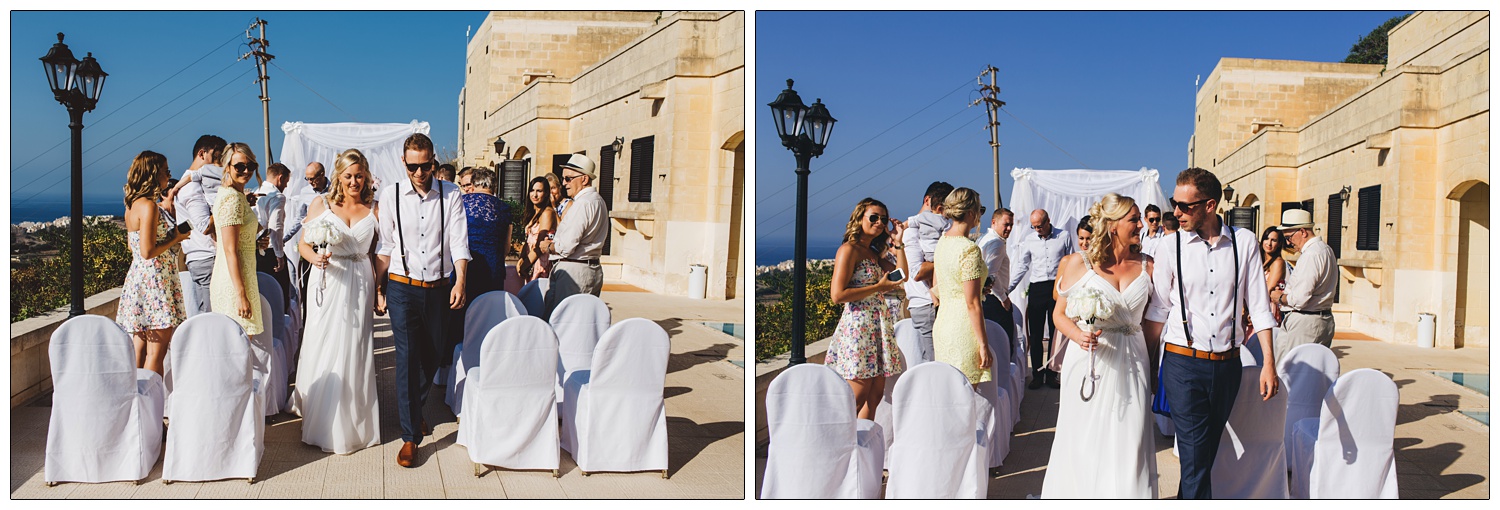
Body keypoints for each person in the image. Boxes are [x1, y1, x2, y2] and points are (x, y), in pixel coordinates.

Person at [1146, 167, 1278, 499]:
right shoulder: (1168, 246)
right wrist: (1149, 366)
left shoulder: (1244, 242)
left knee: (1203, 455)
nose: (1176, 212)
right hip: (1181, 363)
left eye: (1184, 206)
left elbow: (1260, 306)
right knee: (1193, 451)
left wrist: (1269, 364)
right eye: (1175, 204)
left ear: (1210, 205)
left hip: (1227, 366)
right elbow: (1159, 308)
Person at [1041, 194, 1162, 498]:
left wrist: (1152, 364)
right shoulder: (1078, 263)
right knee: (1084, 437)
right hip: (1088, 361)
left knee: (1130, 438)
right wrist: (1077, 334)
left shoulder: (1149, 265)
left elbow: (1152, 323)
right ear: (1112, 226)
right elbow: (1058, 314)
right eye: (1133, 219)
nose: (1140, 224)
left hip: (1134, 359)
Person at [375, 133, 470, 468]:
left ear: (433, 162)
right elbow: (385, 245)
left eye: (425, 165)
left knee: (433, 354)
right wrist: (378, 286)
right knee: (406, 356)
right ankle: (410, 437)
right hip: (402, 286)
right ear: (404, 162)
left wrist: (460, 279)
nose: (419, 172)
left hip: (440, 287)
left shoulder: (452, 193)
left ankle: (413, 409)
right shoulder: (391, 195)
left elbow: (459, 241)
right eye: (412, 166)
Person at [291, 148, 383, 455]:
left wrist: (379, 288)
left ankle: (355, 422)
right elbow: (303, 244)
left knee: (356, 347)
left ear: (367, 176)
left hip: (361, 280)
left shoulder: (375, 207)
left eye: (359, 175)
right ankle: (322, 420)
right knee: (324, 343)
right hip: (328, 278)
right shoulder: (323, 203)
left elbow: (378, 253)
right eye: (348, 176)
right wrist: (316, 258)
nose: (354, 181)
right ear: (338, 177)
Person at [825, 198, 908, 419]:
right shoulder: (848, 250)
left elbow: (901, 275)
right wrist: (877, 287)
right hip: (859, 327)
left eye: (883, 218)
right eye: (874, 217)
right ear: (859, 218)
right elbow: (837, 295)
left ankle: (862, 449)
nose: (879, 222)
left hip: (878, 326)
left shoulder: (873, 253)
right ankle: (836, 448)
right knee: (857, 396)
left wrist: (898, 243)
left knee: (875, 395)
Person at [117, 151, 190, 376]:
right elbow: (147, 251)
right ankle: (150, 405)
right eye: (166, 171)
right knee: (156, 353)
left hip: (138, 279)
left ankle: (135, 402)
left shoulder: (131, 206)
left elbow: (134, 248)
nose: (169, 175)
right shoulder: (149, 206)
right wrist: (175, 238)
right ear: (153, 174)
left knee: (139, 349)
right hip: (155, 282)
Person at [932, 187, 994, 387]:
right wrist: (983, 345)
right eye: (980, 210)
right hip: (963, 328)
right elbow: (972, 303)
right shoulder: (969, 249)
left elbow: (938, 287)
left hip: (943, 324)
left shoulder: (943, 242)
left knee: (951, 394)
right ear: (971, 213)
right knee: (965, 396)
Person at [1008, 208, 1074, 389]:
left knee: (1056, 333)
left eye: (1039, 226)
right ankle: (1037, 374)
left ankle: (1052, 373)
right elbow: (1022, 266)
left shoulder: (1064, 236)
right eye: (1034, 227)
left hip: (1056, 287)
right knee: (1036, 333)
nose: (1037, 229)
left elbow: (1070, 262)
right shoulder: (1029, 240)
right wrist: (1008, 288)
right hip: (1036, 288)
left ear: (1048, 221)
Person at [539, 154, 608, 319]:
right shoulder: (598, 201)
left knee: (560, 322)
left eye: (568, 179)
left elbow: (566, 246)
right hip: (588, 269)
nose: (564, 183)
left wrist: (547, 246)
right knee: (580, 324)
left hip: (574, 271)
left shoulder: (583, 204)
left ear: (584, 179)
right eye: (563, 179)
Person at [209, 143, 263, 336]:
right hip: (234, 283)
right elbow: (230, 249)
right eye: (240, 166)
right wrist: (241, 295)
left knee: (237, 350)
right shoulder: (232, 198)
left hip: (236, 276)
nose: (246, 171)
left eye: (251, 166)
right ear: (227, 167)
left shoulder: (234, 195)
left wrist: (254, 242)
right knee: (236, 350)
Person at [1269, 209, 1337, 362]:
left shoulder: (1311, 255)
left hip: (1305, 323)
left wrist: (1279, 297)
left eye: (1289, 237)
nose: (1288, 242)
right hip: (1321, 320)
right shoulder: (1326, 250)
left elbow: (1299, 299)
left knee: (1288, 373)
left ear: (1302, 231)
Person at [172, 134, 227, 314]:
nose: (219, 165)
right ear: (202, 154)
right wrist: (226, 203)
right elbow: (204, 226)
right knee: (211, 318)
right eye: (217, 158)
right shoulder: (191, 187)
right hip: (207, 257)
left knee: (206, 316)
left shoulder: (195, 182)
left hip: (200, 257)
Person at [902, 181, 953, 362]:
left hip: (937, 304)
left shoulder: (937, 228)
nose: (947, 216)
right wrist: (950, 259)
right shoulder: (911, 230)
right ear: (928, 201)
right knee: (934, 362)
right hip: (927, 306)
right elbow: (917, 272)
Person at [1046, 215, 1095, 373]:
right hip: (1071, 321)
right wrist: (1079, 304)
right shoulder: (1068, 261)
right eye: (1081, 238)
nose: (1085, 243)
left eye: (1089, 238)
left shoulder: (1101, 264)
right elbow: (1055, 294)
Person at [459, 167, 513, 299]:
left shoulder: (462, 203)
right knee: (488, 311)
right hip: (493, 269)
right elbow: (507, 247)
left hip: (465, 268)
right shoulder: (504, 208)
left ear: (474, 183)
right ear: (494, 186)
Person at [286, 161, 330, 322]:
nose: (310, 182)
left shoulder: (336, 190)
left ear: (322, 175)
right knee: (308, 288)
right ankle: (308, 323)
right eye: (307, 179)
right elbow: (298, 219)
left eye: (312, 179)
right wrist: (284, 238)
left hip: (331, 247)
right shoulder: (305, 192)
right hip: (311, 248)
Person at [976, 208, 1016, 343]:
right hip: (994, 300)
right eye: (1006, 224)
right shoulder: (997, 243)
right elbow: (991, 275)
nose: (1009, 228)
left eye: (1011, 225)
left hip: (985, 298)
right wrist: (1003, 298)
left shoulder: (983, 238)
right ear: (994, 222)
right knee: (1003, 344)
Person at [255, 162, 292, 308]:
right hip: (270, 252)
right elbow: (275, 227)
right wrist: (279, 255)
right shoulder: (277, 196)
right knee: (279, 298)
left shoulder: (255, 192)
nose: (286, 186)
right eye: (286, 182)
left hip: (255, 251)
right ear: (280, 178)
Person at [521, 175, 559, 281]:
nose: (535, 195)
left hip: (540, 264)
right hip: (530, 262)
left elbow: (540, 246)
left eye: (539, 191)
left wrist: (524, 265)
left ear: (546, 193)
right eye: (532, 190)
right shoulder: (533, 213)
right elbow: (528, 240)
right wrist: (521, 259)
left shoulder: (547, 212)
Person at [1259, 226, 1289, 323]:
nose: (1269, 243)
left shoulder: (1278, 262)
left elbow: (1267, 290)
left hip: (1266, 308)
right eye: (1266, 239)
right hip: (1253, 307)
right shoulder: (1258, 260)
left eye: (1274, 240)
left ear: (1279, 243)